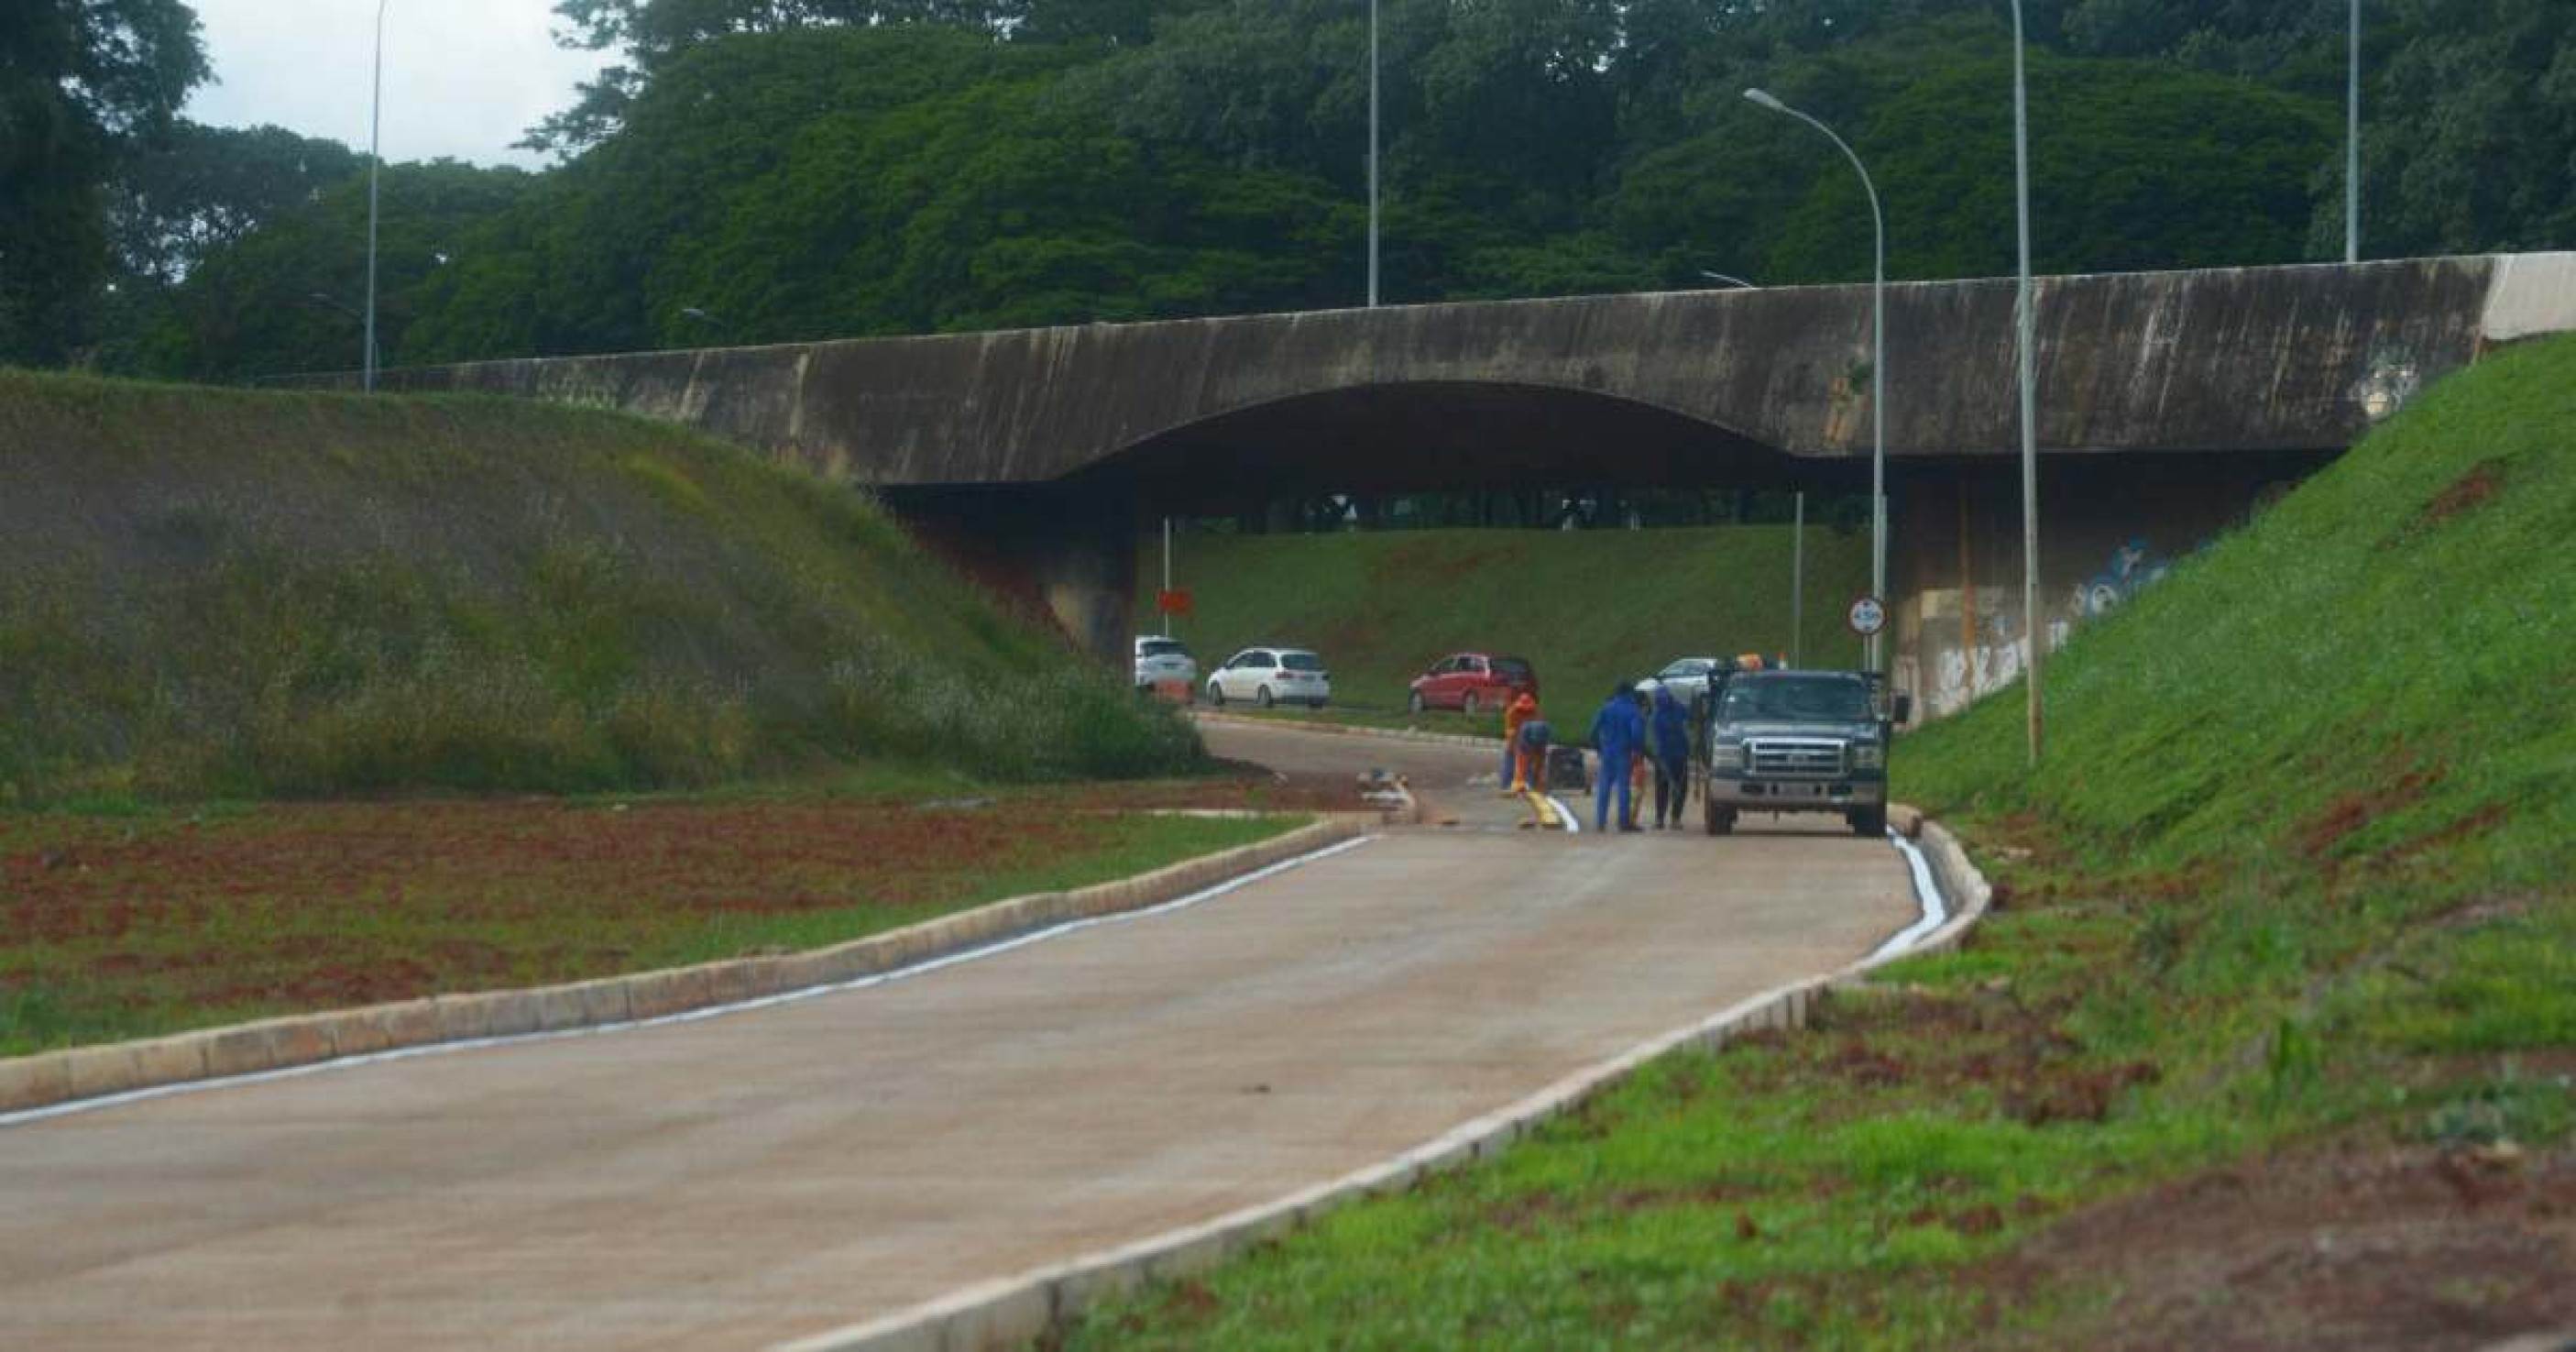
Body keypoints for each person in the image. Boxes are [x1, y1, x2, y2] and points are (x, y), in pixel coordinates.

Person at [1588, 682, 1645, 833]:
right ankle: (1623, 822)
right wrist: (1637, 749)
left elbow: (1593, 729)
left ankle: (1601, 822)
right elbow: (1636, 733)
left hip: (1607, 751)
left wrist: (1597, 746)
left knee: (1604, 787)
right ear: (1629, 693)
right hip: (1623, 752)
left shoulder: (1606, 707)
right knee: (1623, 788)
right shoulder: (1633, 710)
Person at [1650, 680, 1693, 829]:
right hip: (1667, 756)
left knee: (1677, 788)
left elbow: (1688, 726)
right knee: (1666, 788)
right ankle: (1662, 818)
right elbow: (1656, 739)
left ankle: (1673, 817)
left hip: (1677, 755)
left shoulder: (1668, 712)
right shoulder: (1658, 715)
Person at [1500, 689, 1540, 795]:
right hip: (1514, 741)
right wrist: (1515, 744)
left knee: (1530, 764)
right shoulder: (1512, 712)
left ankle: (1529, 785)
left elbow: (1538, 728)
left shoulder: (1536, 713)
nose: (1525, 712)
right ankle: (1506, 785)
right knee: (1510, 762)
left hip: (1529, 743)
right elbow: (1510, 730)